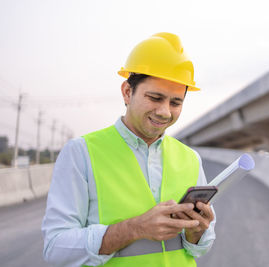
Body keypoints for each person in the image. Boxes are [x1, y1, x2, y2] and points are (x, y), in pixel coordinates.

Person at [42, 32, 216, 267]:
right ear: (127, 92)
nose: (165, 112)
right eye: (155, 98)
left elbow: (202, 246)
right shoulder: (81, 153)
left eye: (175, 103)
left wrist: (197, 233)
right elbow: (55, 248)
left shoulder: (191, 158)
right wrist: (134, 228)